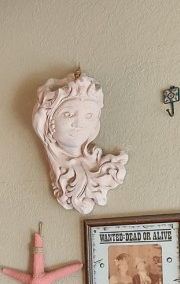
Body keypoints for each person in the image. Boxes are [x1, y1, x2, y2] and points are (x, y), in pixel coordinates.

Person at [32, 71, 128, 214]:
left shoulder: (106, 171)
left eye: (89, 115)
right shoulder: (59, 167)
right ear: (48, 123)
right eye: (68, 114)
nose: (79, 124)